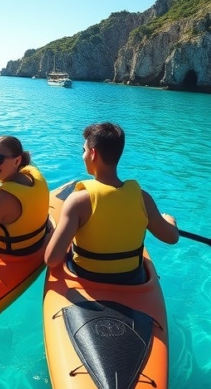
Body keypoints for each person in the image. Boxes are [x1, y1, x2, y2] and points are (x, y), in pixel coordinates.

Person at [44, 122, 179, 285]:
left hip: (86, 275)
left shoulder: (78, 200)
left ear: (93, 153)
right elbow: (172, 237)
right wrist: (169, 219)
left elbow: (51, 259)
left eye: (84, 151)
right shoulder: (143, 199)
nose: (83, 156)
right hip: (132, 279)